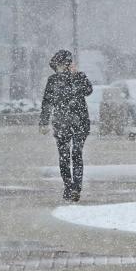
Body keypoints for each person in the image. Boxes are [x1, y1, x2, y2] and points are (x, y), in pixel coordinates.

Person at [39, 50, 93, 202]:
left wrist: (78, 76)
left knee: (76, 153)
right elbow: (47, 102)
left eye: (62, 65)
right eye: (58, 65)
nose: (60, 68)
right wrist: (43, 122)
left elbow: (88, 90)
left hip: (80, 123)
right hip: (61, 123)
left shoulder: (79, 77)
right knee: (64, 157)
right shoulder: (53, 80)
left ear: (69, 64)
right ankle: (68, 186)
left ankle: (76, 187)